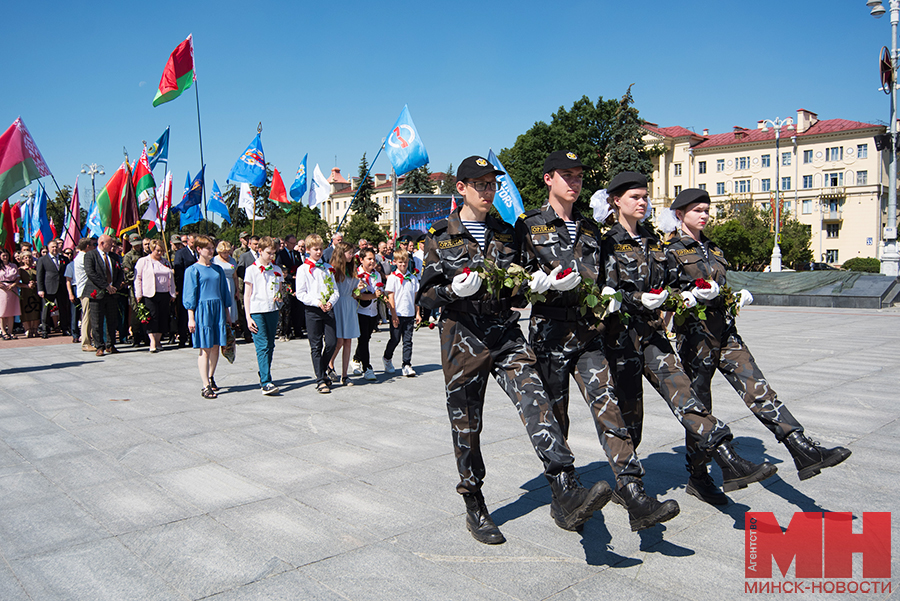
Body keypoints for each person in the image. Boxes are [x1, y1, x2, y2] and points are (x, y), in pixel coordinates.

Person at [417, 155, 610, 545]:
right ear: (461, 188)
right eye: (480, 184)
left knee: (537, 401)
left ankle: (564, 484)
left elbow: (519, 288)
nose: (487, 191)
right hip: (463, 337)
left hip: (505, 333)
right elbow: (425, 295)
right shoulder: (440, 235)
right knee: (467, 424)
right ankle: (473, 500)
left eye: (491, 184)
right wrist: (452, 291)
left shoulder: (507, 233)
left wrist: (542, 283)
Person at [517, 151, 679, 531]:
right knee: (555, 419)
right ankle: (563, 496)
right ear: (548, 179)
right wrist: (536, 284)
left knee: (610, 410)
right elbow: (518, 278)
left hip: (589, 334)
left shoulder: (592, 230)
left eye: (578, 176)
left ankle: (635, 495)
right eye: (565, 175)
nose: (574, 182)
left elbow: (608, 276)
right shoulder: (529, 226)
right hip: (550, 334)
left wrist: (614, 295)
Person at [664, 188, 851, 503]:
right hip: (694, 338)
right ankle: (699, 476)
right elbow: (663, 294)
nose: (704, 215)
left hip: (726, 333)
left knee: (759, 388)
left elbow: (721, 285)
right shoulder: (669, 250)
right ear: (680, 214)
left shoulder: (715, 249)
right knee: (701, 409)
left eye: (707, 210)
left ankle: (802, 449)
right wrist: (688, 296)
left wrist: (734, 296)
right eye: (697, 210)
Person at [601, 171, 777, 500]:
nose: (643, 202)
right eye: (635, 197)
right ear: (616, 201)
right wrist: (635, 299)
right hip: (620, 338)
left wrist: (690, 292)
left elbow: (668, 280)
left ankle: (726, 458)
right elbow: (603, 292)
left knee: (686, 396)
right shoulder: (605, 242)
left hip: (653, 334)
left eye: (645, 197)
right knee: (630, 418)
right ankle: (627, 485)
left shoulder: (652, 240)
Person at [182, 235, 231, 398]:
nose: (211, 251)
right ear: (199, 249)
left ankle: (210, 376)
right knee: (205, 348)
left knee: (216, 345)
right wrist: (191, 317)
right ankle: (205, 385)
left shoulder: (218, 269)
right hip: (202, 310)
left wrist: (227, 313)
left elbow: (224, 292)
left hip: (217, 309)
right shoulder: (192, 270)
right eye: (208, 248)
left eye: (212, 248)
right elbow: (190, 294)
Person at [296, 234, 339, 394]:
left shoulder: (328, 268)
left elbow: (335, 290)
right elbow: (300, 293)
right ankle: (320, 379)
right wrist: (317, 302)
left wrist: (330, 302)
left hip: (328, 309)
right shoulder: (303, 270)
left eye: (321, 249)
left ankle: (322, 369)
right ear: (308, 250)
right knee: (316, 345)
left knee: (332, 342)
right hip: (313, 310)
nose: (319, 252)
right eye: (315, 249)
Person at [244, 236, 284, 395]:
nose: (271, 256)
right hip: (257, 310)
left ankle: (264, 372)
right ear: (259, 251)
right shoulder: (251, 270)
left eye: (273, 253)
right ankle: (266, 381)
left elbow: (280, 291)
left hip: (272, 310)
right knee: (261, 345)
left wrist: (279, 297)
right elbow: (247, 295)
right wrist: (248, 317)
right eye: (268, 253)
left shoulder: (277, 270)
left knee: (270, 345)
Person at [83, 234, 124, 356]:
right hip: (97, 293)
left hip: (112, 294)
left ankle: (110, 345)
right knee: (97, 321)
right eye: (110, 244)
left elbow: (119, 273)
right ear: (102, 244)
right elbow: (91, 273)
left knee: (111, 320)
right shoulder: (90, 255)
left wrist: (115, 287)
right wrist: (106, 286)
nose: (112, 246)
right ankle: (99, 346)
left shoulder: (114, 257)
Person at [383, 248, 420, 377]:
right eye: (400, 263)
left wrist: (417, 313)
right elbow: (391, 297)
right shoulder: (393, 278)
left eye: (404, 262)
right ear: (395, 263)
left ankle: (406, 364)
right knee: (395, 339)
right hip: (397, 313)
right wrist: (393, 314)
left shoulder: (413, 278)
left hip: (409, 314)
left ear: (408, 262)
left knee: (408, 340)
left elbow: (416, 298)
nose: (403, 265)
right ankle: (387, 357)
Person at [134, 239, 176, 353]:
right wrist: (138, 294)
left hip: (164, 293)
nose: (159, 253)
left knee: (163, 317)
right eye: (157, 250)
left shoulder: (165, 262)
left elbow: (171, 278)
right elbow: (138, 278)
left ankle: (158, 340)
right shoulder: (143, 261)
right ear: (152, 249)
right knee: (152, 317)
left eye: (161, 251)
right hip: (149, 293)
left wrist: (172, 293)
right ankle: (152, 341)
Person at [327, 242, 360, 386]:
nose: (352, 256)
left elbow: (353, 291)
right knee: (339, 340)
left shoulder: (352, 269)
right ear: (341, 253)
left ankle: (345, 375)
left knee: (348, 341)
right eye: (349, 253)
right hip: (338, 304)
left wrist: (358, 289)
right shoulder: (333, 270)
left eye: (353, 253)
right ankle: (329, 363)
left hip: (349, 304)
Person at [353, 247, 384, 381]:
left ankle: (356, 358)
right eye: (369, 259)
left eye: (374, 259)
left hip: (373, 311)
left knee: (367, 337)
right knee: (364, 339)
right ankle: (367, 367)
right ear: (361, 260)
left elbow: (379, 288)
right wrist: (372, 295)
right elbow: (357, 295)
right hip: (360, 311)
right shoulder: (356, 274)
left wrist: (380, 293)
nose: (372, 262)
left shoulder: (376, 274)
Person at [36, 239, 71, 338]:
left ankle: (64, 328)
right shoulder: (42, 260)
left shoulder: (64, 259)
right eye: (52, 247)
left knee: (63, 309)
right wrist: (40, 289)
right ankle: (44, 330)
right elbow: (40, 275)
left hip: (62, 287)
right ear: (48, 248)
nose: (55, 249)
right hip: (49, 288)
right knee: (46, 309)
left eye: (56, 246)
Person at [275, 234, 305, 340]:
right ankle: (286, 330)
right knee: (287, 307)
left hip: (297, 282)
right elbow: (279, 267)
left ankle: (298, 329)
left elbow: (301, 266)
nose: (294, 245)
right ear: (286, 243)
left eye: (294, 243)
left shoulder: (297, 254)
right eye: (292, 243)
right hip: (287, 282)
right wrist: (289, 276)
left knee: (298, 306)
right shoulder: (281, 254)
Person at [121, 233, 148, 347]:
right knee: (136, 311)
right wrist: (140, 277)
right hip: (135, 287)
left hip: (146, 286)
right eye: (135, 245)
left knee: (147, 310)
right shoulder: (128, 256)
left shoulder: (145, 254)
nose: (138, 247)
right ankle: (136, 336)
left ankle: (146, 335)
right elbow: (128, 273)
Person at [173, 233, 199, 347]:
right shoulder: (181, 253)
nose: (194, 245)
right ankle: (183, 338)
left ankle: (194, 337)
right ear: (188, 241)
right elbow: (178, 270)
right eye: (192, 242)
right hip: (185, 287)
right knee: (184, 313)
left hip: (199, 287)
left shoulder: (199, 252)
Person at [235, 235, 260, 343]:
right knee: (246, 308)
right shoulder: (245, 256)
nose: (257, 246)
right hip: (249, 286)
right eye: (255, 244)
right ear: (250, 244)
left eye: (258, 244)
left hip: (260, 287)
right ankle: (247, 333)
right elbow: (240, 270)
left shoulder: (261, 255)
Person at [73, 238, 96, 351]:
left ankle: (90, 339)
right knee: (87, 316)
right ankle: (85, 342)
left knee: (90, 316)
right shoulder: (83, 257)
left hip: (87, 290)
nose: (94, 247)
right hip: (86, 290)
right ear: (87, 246)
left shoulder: (81, 257)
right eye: (93, 245)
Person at [212, 240, 238, 324]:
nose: (226, 254)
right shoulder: (214, 260)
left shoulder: (232, 260)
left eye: (228, 252)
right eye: (224, 252)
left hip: (231, 284)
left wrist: (237, 290)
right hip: (220, 284)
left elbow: (235, 276)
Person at [17, 252, 40, 338]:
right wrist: (26, 286)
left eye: (29, 257)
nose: (28, 259)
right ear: (22, 259)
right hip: (25, 292)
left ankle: (35, 328)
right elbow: (17, 282)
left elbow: (41, 279)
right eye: (25, 258)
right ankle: (28, 329)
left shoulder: (36, 268)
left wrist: (35, 283)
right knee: (26, 309)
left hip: (35, 291)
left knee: (36, 309)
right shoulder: (20, 269)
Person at [0, 249, 21, 339]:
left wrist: (13, 284)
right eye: (3, 255)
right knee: (3, 312)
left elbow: (17, 277)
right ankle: (3, 331)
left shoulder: (13, 265)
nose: (5, 257)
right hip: (2, 289)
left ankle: (10, 331)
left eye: (7, 255)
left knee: (11, 311)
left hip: (12, 288)